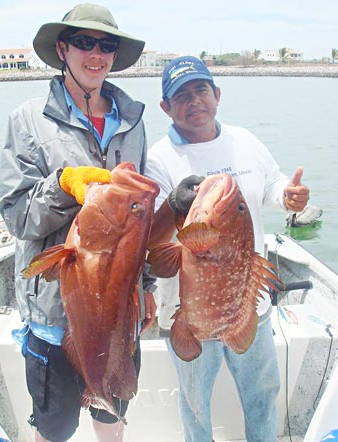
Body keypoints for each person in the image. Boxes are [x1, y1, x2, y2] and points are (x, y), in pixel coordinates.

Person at [0, 4, 157, 442]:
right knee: (54, 427)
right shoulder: (28, 120)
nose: (96, 54)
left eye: (107, 45)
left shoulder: (135, 122)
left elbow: (139, 226)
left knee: (111, 412)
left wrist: (146, 288)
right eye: (85, 42)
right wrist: (63, 184)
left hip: (120, 310)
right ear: (62, 48)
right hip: (53, 311)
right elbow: (16, 215)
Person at [146, 56, 310, 442]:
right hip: (186, 312)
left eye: (201, 90)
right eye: (181, 95)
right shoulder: (158, 158)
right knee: (195, 405)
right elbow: (151, 240)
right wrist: (173, 205)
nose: (194, 100)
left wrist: (289, 197)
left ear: (217, 95)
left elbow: (272, 187)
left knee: (263, 394)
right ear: (165, 108)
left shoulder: (245, 141)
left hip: (249, 305)